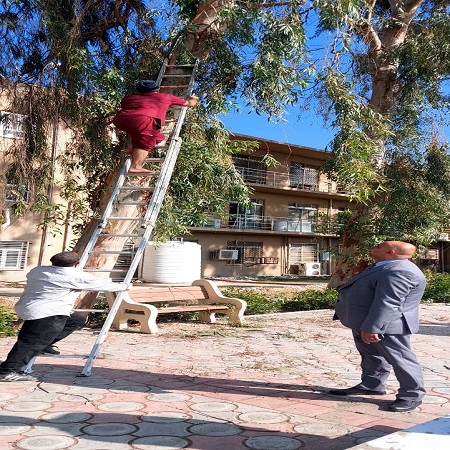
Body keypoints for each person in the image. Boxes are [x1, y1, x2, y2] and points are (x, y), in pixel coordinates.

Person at [0, 251, 129, 382]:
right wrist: (125, 286)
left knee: (75, 320)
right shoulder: (75, 276)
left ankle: (45, 344)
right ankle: (7, 371)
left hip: (29, 308)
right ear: (77, 263)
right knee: (29, 343)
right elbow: (104, 286)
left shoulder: (37, 270)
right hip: (48, 312)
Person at [329, 241, 426, 412]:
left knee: (401, 359)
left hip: (387, 325)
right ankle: (372, 385)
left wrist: (374, 327)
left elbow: (389, 302)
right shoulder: (385, 266)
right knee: (372, 356)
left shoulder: (400, 271)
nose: (373, 247)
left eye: (379, 246)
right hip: (365, 321)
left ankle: (412, 395)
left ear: (391, 252)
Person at [113, 80, 199, 173]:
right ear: (157, 89)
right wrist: (194, 99)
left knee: (158, 137)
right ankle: (136, 166)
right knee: (146, 143)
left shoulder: (128, 98)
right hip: (144, 120)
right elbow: (189, 104)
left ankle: (134, 149)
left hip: (121, 120)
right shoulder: (165, 97)